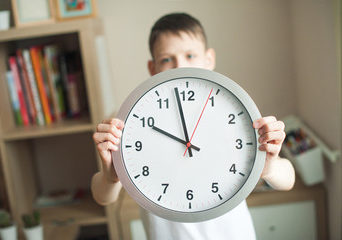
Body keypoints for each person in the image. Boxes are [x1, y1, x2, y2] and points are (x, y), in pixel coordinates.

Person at [91, 13, 295, 240]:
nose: (180, 66)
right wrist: (112, 176)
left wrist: (269, 168)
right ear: (153, 67)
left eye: (190, 55)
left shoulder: (233, 113)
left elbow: (288, 179)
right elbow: (103, 197)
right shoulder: (135, 121)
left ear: (209, 59)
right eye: (167, 59)